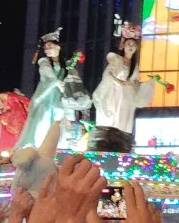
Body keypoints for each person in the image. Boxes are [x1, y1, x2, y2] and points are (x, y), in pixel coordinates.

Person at [12, 28, 88, 151]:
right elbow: (48, 74)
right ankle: (37, 148)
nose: (47, 50)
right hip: (45, 96)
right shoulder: (44, 61)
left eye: (50, 46)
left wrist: (76, 58)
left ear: (58, 47)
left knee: (58, 121)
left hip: (58, 97)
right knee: (43, 120)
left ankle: (55, 148)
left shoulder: (64, 64)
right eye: (45, 48)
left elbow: (69, 72)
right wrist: (57, 82)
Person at [90, 22, 154, 150]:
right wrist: (119, 81)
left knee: (124, 119)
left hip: (128, 97)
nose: (131, 47)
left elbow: (135, 83)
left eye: (133, 45)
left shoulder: (135, 66)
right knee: (113, 117)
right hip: (115, 93)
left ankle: (121, 144)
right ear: (123, 46)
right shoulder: (117, 59)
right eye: (128, 44)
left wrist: (149, 83)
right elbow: (108, 74)